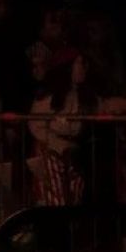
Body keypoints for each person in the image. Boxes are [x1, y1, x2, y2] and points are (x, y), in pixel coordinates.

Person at [27, 55, 87, 206]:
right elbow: (35, 124)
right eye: (79, 63)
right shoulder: (50, 96)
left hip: (72, 154)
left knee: (74, 196)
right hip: (51, 153)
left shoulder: (81, 95)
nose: (83, 68)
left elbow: (103, 105)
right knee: (56, 200)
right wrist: (58, 144)